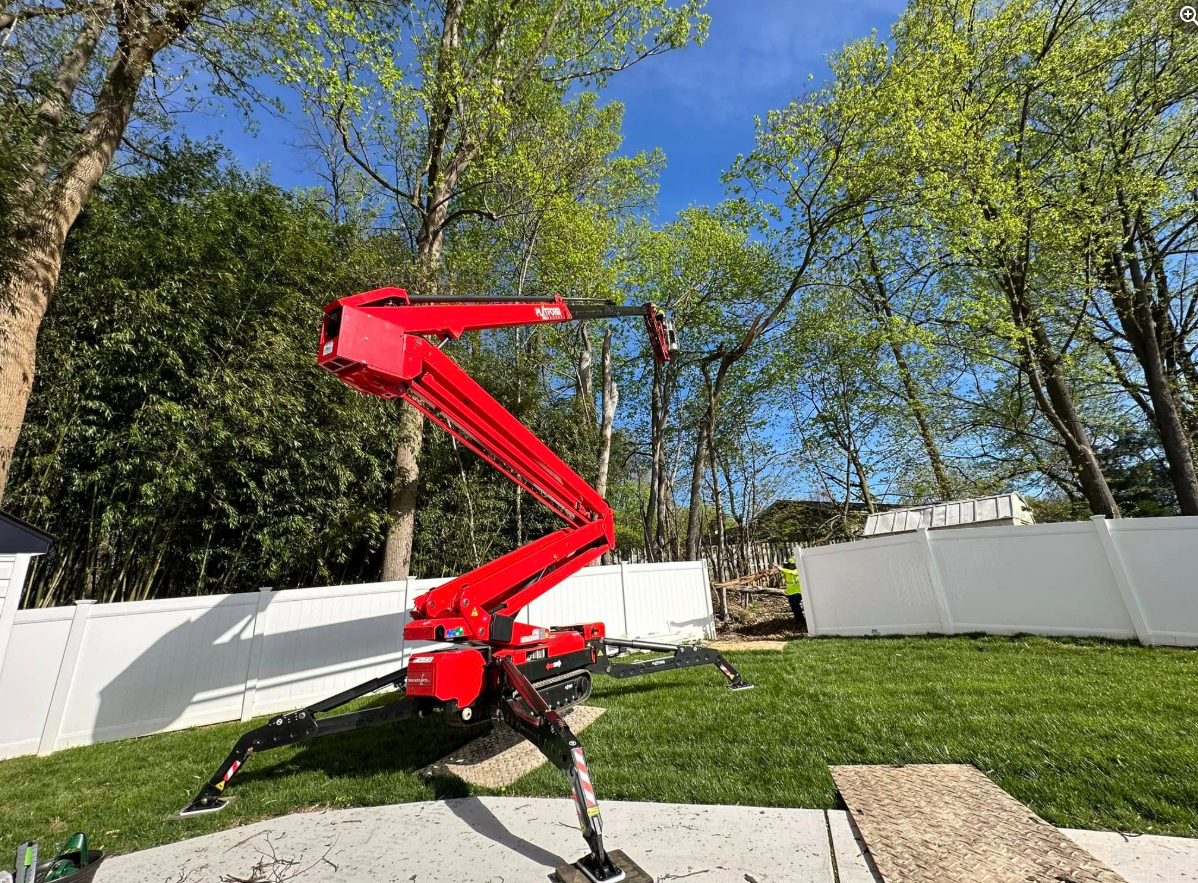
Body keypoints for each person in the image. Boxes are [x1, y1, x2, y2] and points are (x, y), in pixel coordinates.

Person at [779, 556, 805, 630]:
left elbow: (791, 572)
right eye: (790, 564)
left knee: (796, 605)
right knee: (793, 607)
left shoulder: (797, 571)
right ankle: (797, 620)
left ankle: (802, 621)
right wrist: (779, 566)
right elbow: (781, 570)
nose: (791, 566)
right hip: (790, 592)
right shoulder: (786, 570)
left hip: (798, 591)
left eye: (792, 564)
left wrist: (781, 568)